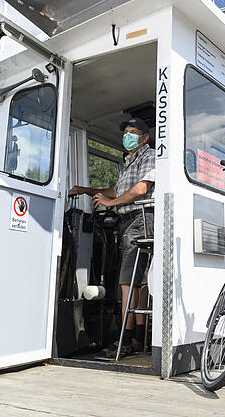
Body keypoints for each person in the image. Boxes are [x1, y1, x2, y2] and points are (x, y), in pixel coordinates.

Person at [69, 117, 154, 358]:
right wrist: (88, 190)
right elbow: (117, 191)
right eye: (125, 131)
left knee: (127, 282)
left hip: (140, 220)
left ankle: (124, 341)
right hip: (129, 221)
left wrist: (112, 203)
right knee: (136, 284)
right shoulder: (129, 161)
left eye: (133, 132)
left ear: (144, 138)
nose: (128, 135)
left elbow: (140, 189)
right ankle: (138, 338)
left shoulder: (149, 156)